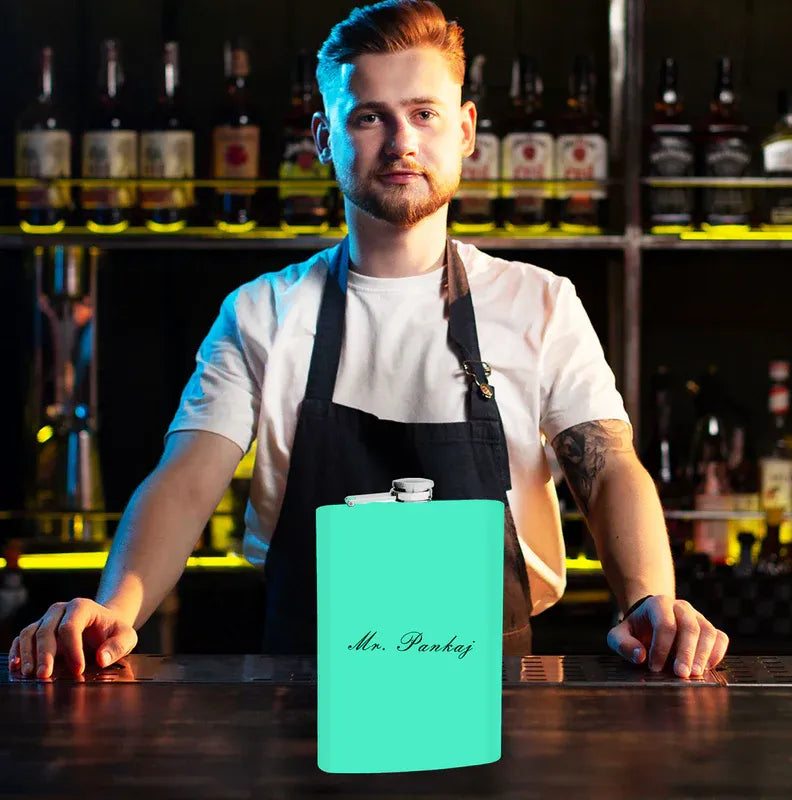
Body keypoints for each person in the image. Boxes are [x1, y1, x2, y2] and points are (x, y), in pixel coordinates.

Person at [10, 0, 728, 679]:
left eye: (424, 114)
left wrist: (650, 604)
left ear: (466, 130)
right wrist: (115, 608)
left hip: (498, 696)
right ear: (325, 138)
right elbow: (187, 478)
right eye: (368, 119)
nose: (402, 142)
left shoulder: (539, 303)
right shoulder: (262, 312)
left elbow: (606, 466)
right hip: (305, 696)